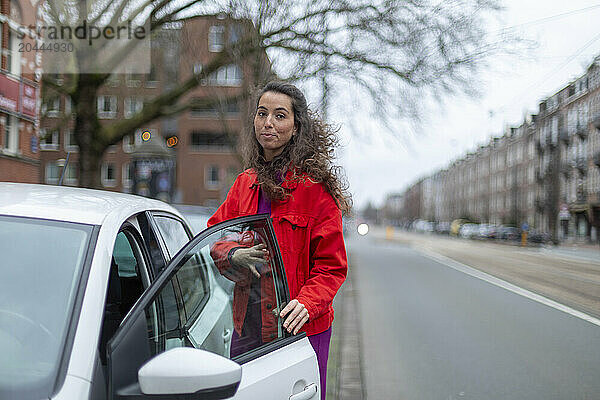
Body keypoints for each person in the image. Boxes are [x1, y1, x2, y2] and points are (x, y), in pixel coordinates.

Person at [207, 81, 351, 399]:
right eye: (262, 114)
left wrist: (308, 302)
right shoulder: (244, 184)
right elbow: (215, 236)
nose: (268, 122)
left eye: (279, 115)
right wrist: (232, 255)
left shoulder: (316, 191)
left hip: (299, 328)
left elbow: (332, 267)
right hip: (248, 323)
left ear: (296, 126)